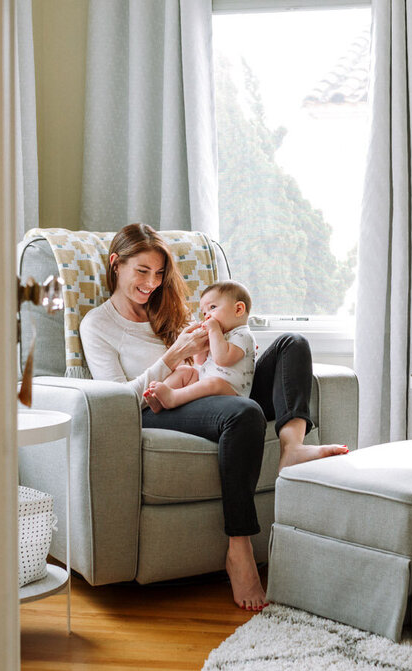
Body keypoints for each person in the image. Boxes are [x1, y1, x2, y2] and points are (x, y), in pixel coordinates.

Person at [78, 223, 349, 611]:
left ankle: (292, 448)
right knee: (245, 413)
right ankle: (239, 548)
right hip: (158, 408)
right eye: (141, 271)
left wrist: (226, 347)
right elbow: (117, 401)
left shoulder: (167, 310)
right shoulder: (98, 325)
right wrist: (171, 357)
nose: (151, 283)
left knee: (293, 344)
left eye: (158, 273)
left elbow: (214, 362)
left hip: (209, 389)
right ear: (115, 265)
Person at [142, 280, 255, 413]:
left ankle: (173, 397)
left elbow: (222, 360)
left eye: (212, 308)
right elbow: (200, 362)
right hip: (205, 386)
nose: (207, 316)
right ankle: (158, 399)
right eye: (204, 313)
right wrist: (201, 345)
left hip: (231, 392)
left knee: (215, 383)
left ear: (238, 309)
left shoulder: (242, 335)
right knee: (186, 371)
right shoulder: (220, 335)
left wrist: (214, 332)